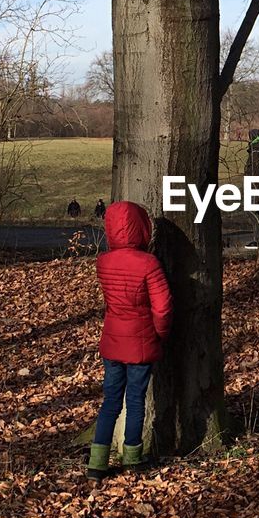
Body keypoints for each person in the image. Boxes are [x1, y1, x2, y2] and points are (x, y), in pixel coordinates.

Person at [87, 200, 172, 479]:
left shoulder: (104, 262)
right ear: (141, 227)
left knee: (111, 401)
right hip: (140, 343)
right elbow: (163, 306)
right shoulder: (148, 263)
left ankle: (97, 463)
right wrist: (160, 334)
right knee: (135, 400)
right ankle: (132, 458)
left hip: (112, 341)